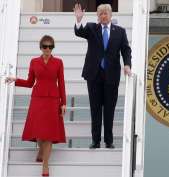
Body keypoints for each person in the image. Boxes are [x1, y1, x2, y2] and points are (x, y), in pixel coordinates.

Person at [6, 35, 66, 176]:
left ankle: (45, 165)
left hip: (52, 100)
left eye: (50, 46)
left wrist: (63, 103)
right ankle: (40, 151)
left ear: (53, 48)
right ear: (40, 47)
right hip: (38, 99)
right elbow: (29, 82)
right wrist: (15, 79)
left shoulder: (58, 62)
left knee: (49, 133)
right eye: (45, 46)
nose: (47, 49)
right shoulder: (34, 62)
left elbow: (61, 83)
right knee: (38, 130)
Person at [74, 3, 132, 149]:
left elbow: (126, 49)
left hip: (111, 75)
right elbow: (79, 32)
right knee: (95, 108)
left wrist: (127, 64)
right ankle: (95, 140)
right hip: (94, 75)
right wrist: (79, 20)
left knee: (109, 109)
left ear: (111, 15)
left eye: (105, 13)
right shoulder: (92, 28)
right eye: (100, 14)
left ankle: (108, 140)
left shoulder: (119, 31)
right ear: (97, 16)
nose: (103, 16)